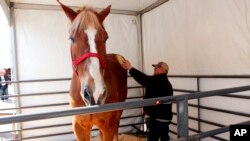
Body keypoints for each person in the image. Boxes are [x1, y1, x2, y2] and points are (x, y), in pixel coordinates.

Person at [122, 60, 173, 141]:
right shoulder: (165, 82)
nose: (155, 68)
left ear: (163, 70)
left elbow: (144, 79)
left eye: (157, 67)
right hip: (165, 117)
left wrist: (130, 68)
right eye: (155, 67)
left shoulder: (159, 80)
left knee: (152, 138)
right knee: (164, 137)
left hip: (157, 118)